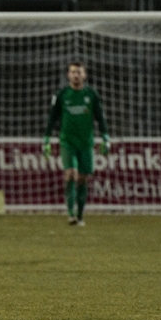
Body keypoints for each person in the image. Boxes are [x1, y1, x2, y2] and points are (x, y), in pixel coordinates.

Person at [43, 61, 111, 227]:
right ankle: (70, 213)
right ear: (68, 75)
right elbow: (52, 118)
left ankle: (80, 215)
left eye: (79, 72)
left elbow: (100, 117)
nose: (76, 75)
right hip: (67, 141)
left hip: (86, 143)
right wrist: (46, 139)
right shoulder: (62, 94)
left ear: (84, 75)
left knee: (82, 178)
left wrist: (105, 137)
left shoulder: (91, 94)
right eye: (73, 72)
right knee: (70, 174)